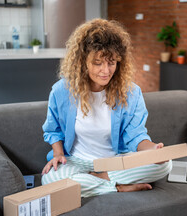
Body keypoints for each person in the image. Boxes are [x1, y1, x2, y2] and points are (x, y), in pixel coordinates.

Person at [41, 18, 172, 198]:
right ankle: (117, 186)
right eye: (97, 63)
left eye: (111, 62)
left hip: (115, 161)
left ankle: (95, 180)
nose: (106, 70)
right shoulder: (61, 91)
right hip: (77, 160)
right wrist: (57, 153)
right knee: (50, 179)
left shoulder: (131, 93)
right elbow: (53, 129)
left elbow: (136, 135)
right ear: (82, 62)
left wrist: (154, 150)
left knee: (166, 165)